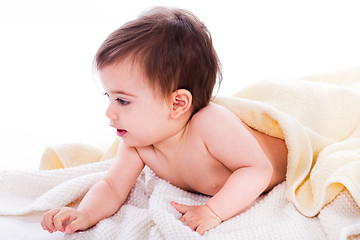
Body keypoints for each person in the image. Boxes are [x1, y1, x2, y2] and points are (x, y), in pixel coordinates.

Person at [41, 6, 288, 235]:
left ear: (178, 104)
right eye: (109, 96)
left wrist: (213, 211)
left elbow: (258, 169)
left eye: (123, 101)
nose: (109, 112)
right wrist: (84, 214)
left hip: (281, 153)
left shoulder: (209, 125)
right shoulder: (138, 143)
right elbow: (113, 185)